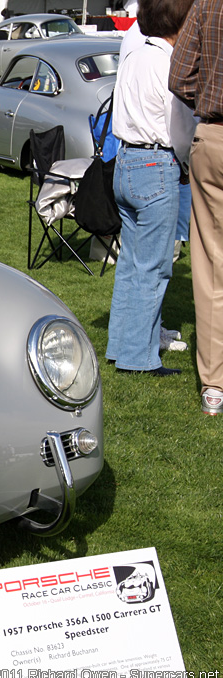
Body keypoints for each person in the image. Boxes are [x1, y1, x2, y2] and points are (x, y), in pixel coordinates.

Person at [105, 0, 196, 377]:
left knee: (130, 264)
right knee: (154, 268)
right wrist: (187, 163)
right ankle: (138, 356)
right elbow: (179, 126)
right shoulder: (168, 63)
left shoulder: (135, 56)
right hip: (155, 164)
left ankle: (120, 345)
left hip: (125, 161)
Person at [170, 0, 223, 413]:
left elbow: (180, 74)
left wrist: (205, 96)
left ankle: (214, 387)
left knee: (210, 265)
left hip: (215, 136)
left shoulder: (207, 3)